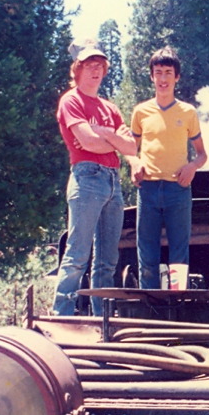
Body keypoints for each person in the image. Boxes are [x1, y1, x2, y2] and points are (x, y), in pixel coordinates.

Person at [53, 40, 137, 316]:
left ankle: (102, 319)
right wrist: (113, 139)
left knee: (107, 261)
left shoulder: (109, 108)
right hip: (87, 177)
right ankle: (62, 315)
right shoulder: (71, 101)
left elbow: (131, 147)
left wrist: (105, 134)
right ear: (77, 69)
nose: (95, 70)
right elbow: (88, 142)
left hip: (113, 181)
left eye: (100, 65)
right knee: (78, 254)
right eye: (89, 65)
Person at [130, 47, 207, 289]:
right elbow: (130, 149)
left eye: (168, 73)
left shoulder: (188, 112)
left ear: (177, 77)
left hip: (178, 190)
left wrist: (192, 167)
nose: (163, 79)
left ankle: (176, 309)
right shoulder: (141, 112)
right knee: (147, 255)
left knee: (179, 256)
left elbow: (202, 154)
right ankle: (148, 310)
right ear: (152, 76)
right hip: (148, 189)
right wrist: (135, 163)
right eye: (158, 73)